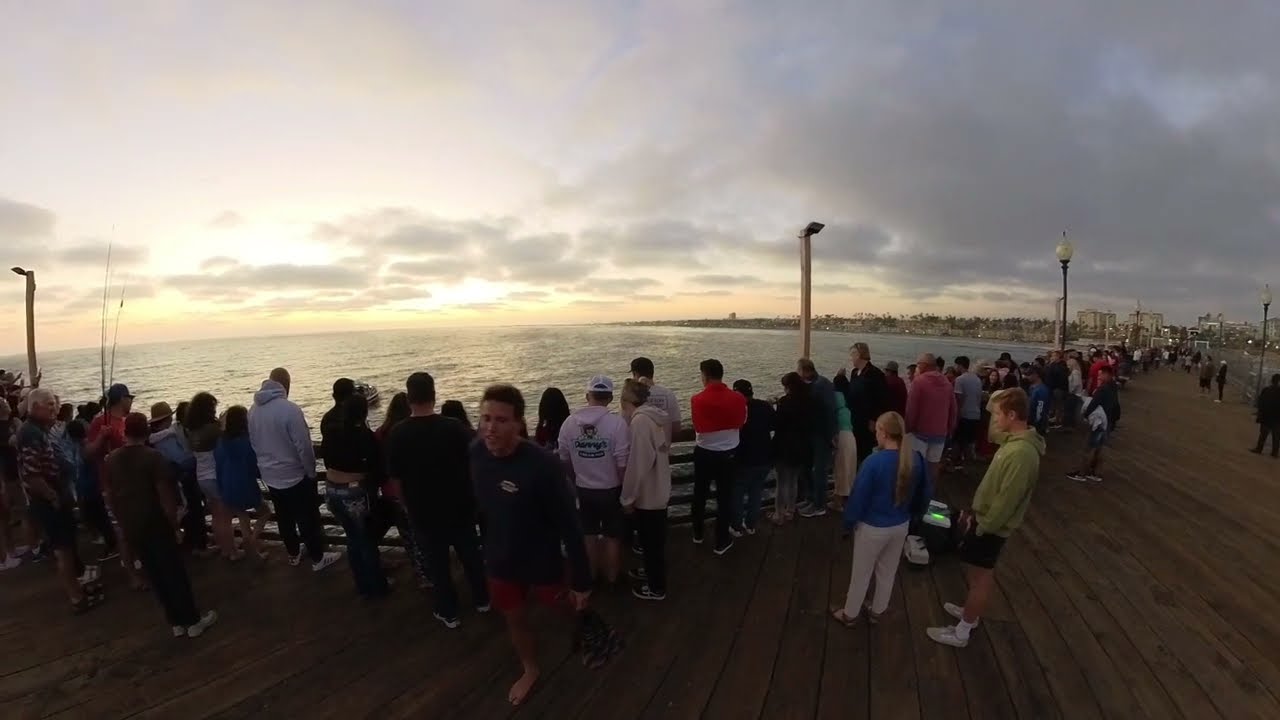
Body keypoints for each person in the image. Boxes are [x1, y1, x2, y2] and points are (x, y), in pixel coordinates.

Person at [471, 384, 597, 706]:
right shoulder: (476, 454)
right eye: (486, 418)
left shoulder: (542, 465)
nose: (490, 427)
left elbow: (571, 526)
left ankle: (582, 625)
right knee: (515, 619)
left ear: (518, 423)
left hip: (542, 561)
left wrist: (582, 581)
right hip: (501, 560)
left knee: (564, 606)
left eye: (501, 420)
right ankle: (530, 668)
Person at [928, 388, 1044, 648]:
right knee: (977, 574)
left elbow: (1007, 500)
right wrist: (996, 400)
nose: (994, 418)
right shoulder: (1013, 442)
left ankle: (962, 631)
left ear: (1012, 415)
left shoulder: (1021, 454)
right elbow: (993, 433)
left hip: (990, 527)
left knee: (981, 579)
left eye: (999, 413)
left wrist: (982, 527)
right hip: (984, 521)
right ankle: (970, 613)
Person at [387, 372, 488, 626]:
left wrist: (407, 505)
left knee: (437, 564)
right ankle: (482, 600)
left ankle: (449, 611)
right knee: (471, 556)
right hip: (460, 506)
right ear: (433, 395)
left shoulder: (398, 434)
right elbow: (477, 460)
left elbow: (396, 478)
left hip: (423, 510)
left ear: (409, 398)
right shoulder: (454, 427)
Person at [104, 412, 218, 637]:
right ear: (146, 432)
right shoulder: (153, 457)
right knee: (174, 572)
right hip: (155, 522)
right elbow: (166, 496)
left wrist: (122, 522)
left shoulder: (112, 459)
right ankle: (193, 621)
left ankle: (175, 622)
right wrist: (175, 526)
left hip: (131, 523)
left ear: (125, 432)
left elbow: (110, 495)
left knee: (155, 575)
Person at [831, 411, 929, 626]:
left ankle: (850, 614)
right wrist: (915, 516)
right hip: (900, 524)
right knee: (887, 571)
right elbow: (924, 494)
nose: (876, 435)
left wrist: (847, 524)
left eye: (877, 431)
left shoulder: (873, 462)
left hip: (872, 527)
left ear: (884, 433)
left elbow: (858, 498)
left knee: (861, 573)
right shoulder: (916, 459)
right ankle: (878, 611)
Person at [248, 368, 339, 572]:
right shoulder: (290, 410)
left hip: (270, 476)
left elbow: (253, 443)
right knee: (307, 518)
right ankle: (317, 558)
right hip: (294, 475)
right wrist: (311, 472)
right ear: (286, 385)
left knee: (284, 518)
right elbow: (304, 447)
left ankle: (293, 554)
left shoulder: (252, 410)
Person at [19, 388, 99, 611]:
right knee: (62, 550)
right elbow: (32, 474)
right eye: (49, 404)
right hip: (49, 500)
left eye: (54, 404)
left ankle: (78, 587)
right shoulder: (31, 434)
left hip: (56, 495)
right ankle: (76, 599)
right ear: (35, 407)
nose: (55, 408)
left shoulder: (39, 429)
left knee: (68, 546)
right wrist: (52, 496)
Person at [558, 375, 630, 584]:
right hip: (611, 489)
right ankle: (612, 579)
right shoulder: (617, 424)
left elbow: (564, 459)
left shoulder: (569, 423)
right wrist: (624, 491)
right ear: (610, 398)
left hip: (583, 489)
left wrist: (577, 478)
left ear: (587, 396)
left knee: (588, 535)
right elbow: (622, 464)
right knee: (612, 537)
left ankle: (591, 577)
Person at [320, 394, 389, 598]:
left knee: (352, 538)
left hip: (332, 490)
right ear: (364, 412)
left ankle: (362, 585)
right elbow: (377, 468)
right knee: (367, 540)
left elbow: (326, 460)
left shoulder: (332, 432)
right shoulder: (364, 436)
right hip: (354, 492)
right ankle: (377, 587)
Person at [88, 383, 145, 588]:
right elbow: (88, 453)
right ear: (122, 399)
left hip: (133, 482)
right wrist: (101, 437)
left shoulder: (125, 421)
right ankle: (131, 574)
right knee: (123, 532)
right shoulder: (100, 422)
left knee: (138, 526)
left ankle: (139, 562)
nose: (131, 402)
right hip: (113, 485)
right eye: (130, 398)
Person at [619, 379, 671, 601]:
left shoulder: (639, 422)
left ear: (625, 401)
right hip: (660, 487)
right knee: (654, 541)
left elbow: (638, 463)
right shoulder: (654, 417)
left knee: (650, 543)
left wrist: (627, 497)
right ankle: (651, 572)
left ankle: (656, 588)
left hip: (648, 495)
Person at [374, 391, 431, 589]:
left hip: (390, 492)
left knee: (407, 536)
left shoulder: (381, 433)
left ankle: (420, 573)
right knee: (422, 535)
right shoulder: (411, 431)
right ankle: (429, 573)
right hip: (413, 491)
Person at [690, 359, 747, 554]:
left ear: (705, 376)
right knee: (725, 497)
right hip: (729, 454)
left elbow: (697, 426)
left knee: (700, 494)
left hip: (704, 453)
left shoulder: (697, 399)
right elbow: (742, 421)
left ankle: (698, 533)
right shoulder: (738, 398)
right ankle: (721, 541)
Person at [214, 405, 270, 560]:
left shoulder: (221, 441)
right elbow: (254, 465)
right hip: (245, 484)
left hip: (227, 484)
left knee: (243, 517)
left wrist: (221, 487)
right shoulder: (247, 441)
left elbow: (218, 464)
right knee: (265, 512)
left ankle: (254, 555)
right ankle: (251, 541)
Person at [148, 401, 204, 553]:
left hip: (170, 480)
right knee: (193, 510)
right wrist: (197, 458)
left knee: (184, 511)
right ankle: (198, 546)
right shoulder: (166, 438)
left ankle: (189, 541)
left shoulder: (154, 437)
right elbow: (181, 460)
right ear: (166, 419)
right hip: (181, 478)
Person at [187, 392, 236, 560]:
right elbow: (226, 438)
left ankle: (223, 547)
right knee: (225, 516)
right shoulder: (212, 429)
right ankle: (231, 551)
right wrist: (223, 423)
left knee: (216, 514)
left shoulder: (192, 430)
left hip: (202, 477)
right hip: (215, 476)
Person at [905, 353, 956, 486]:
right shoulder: (946, 383)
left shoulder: (918, 382)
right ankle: (929, 491)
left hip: (920, 432)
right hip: (940, 433)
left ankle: (915, 491)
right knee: (933, 465)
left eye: (918, 364)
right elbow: (953, 409)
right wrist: (950, 429)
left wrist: (908, 428)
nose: (916, 367)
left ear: (923, 365)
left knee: (916, 465)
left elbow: (912, 409)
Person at [730, 379, 773, 533]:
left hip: (744, 458)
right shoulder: (765, 406)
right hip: (764, 457)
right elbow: (773, 424)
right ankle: (751, 525)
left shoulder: (737, 409)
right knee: (756, 492)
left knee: (737, 493)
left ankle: (736, 526)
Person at [771, 372, 814, 524]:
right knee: (793, 480)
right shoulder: (808, 400)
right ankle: (790, 510)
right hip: (801, 446)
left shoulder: (785, 402)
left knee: (781, 481)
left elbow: (777, 423)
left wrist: (775, 407)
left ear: (789, 387)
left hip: (784, 446)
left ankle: (779, 514)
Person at [797, 358, 837, 518]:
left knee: (819, 470)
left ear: (804, 370)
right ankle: (811, 498)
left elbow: (830, 410)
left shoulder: (821, 385)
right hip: (812, 434)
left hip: (822, 435)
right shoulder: (815, 384)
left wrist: (832, 434)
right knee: (807, 468)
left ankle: (819, 505)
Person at [841, 342, 888, 464]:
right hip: (854, 417)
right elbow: (851, 392)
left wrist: (873, 419)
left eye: (852, 354)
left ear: (859, 354)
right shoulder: (854, 372)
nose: (851, 358)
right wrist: (840, 379)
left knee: (865, 450)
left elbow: (881, 399)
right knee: (855, 449)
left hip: (867, 420)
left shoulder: (875, 374)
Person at [629, 357, 682, 442]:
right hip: (664, 447)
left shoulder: (630, 396)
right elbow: (676, 428)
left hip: (639, 446)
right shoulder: (668, 394)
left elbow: (624, 425)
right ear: (652, 372)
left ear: (635, 374)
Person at [829, 374, 857, 512]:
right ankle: (847, 499)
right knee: (849, 469)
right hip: (850, 435)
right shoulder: (847, 401)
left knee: (840, 470)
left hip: (841, 436)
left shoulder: (835, 397)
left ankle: (837, 503)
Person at [1251, 373, 1280, 458]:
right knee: (1276, 436)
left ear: (1271, 381)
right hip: (1277, 418)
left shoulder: (1266, 390)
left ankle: (1259, 449)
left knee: (1263, 434)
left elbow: (1260, 402)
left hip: (1266, 416)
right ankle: (1274, 453)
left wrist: (1260, 414)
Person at [1025, 367, 1051, 436]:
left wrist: (1037, 424)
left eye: (1029, 374)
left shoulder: (1041, 390)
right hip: (1031, 420)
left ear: (1036, 375)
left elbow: (1040, 409)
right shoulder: (1032, 388)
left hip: (1037, 423)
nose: (1027, 377)